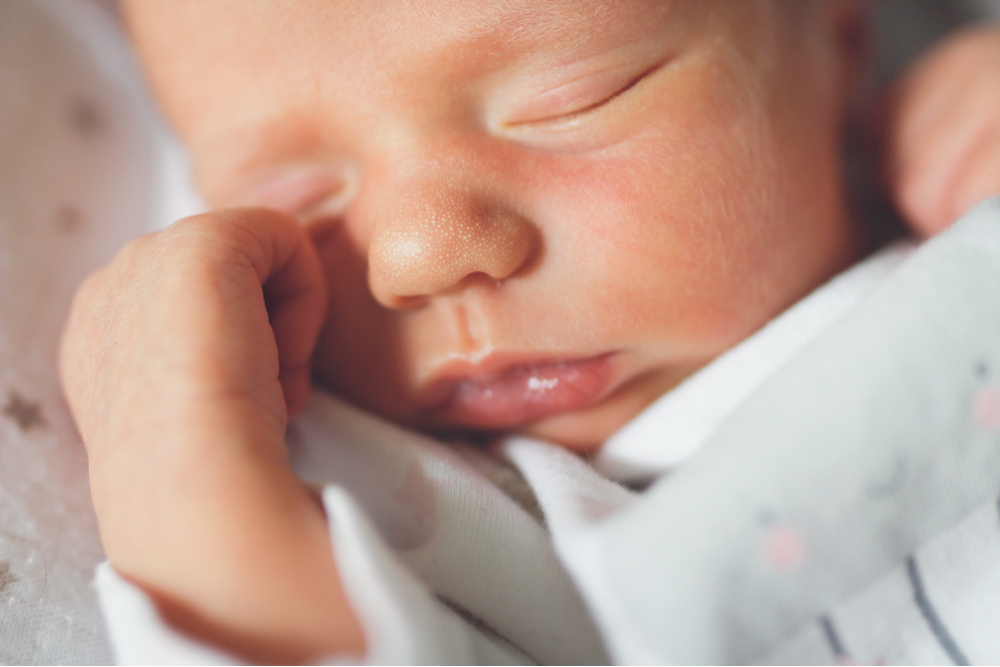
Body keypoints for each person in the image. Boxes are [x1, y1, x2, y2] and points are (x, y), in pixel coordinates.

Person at [57, 0, 1000, 662]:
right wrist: (180, 484)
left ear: (840, 31)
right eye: (299, 200)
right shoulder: (414, 523)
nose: (416, 255)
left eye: (573, 97)